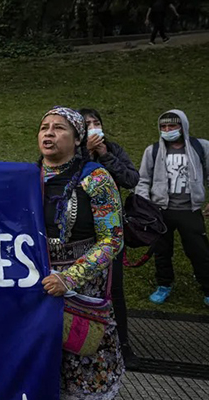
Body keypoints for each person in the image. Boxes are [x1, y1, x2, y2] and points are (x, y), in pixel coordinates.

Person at [37, 106, 125, 399]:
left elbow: (112, 239)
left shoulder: (97, 178)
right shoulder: (26, 177)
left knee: (83, 359)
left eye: (59, 127)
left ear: (77, 139)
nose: (49, 132)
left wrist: (69, 278)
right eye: (44, 127)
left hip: (83, 289)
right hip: (39, 286)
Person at [79, 108, 139, 366]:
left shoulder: (113, 149)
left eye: (96, 123)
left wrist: (105, 155)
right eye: (87, 124)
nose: (93, 127)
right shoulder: (72, 152)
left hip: (110, 233)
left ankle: (123, 344)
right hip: (80, 235)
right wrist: (86, 154)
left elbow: (131, 178)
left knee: (115, 288)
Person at [135, 110, 209, 307]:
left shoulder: (201, 147)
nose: (167, 130)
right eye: (163, 127)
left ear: (182, 126)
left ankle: (207, 286)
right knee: (162, 250)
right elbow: (143, 180)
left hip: (190, 210)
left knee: (199, 251)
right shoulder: (152, 151)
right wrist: (145, 205)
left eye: (172, 126)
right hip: (161, 211)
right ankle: (164, 285)